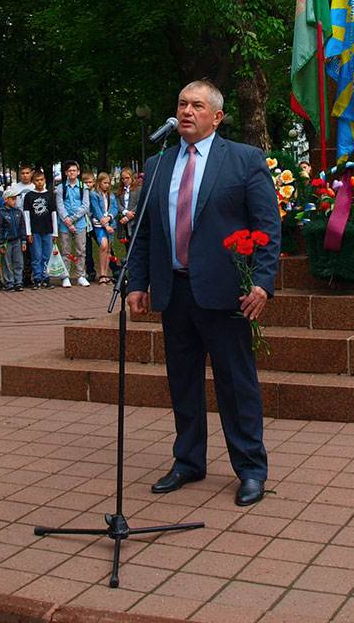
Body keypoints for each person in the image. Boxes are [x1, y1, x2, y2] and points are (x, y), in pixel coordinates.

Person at [126, 80, 281, 507]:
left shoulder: (244, 160)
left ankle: (251, 469)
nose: (187, 111)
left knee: (236, 384)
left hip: (227, 293)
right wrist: (138, 281)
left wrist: (262, 283)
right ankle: (188, 460)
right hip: (173, 290)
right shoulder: (158, 164)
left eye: (197, 105)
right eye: (181, 104)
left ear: (217, 116)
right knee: (182, 382)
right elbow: (144, 230)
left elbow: (268, 226)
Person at [56, 162, 91, 287]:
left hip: (80, 223)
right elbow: (60, 206)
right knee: (66, 250)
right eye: (69, 171)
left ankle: (81, 275)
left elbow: (85, 205)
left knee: (81, 250)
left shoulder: (83, 187)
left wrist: (74, 219)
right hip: (64, 224)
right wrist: (67, 220)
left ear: (78, 172)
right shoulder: (61, 188)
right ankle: (65, 276)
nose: (72, 173)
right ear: (65, 173)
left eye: (74, 170)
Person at [23, 171, 56, 288]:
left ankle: (45, 277)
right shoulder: (29, 196)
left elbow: (53, 214)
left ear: (45, 180)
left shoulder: (50, 195)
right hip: (35, 230)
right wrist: (28, 232)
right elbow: (26, 215)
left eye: (41, 180)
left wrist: (55, 232)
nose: (40, 182)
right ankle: (37, 278)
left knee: (46, 255)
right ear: (33, 182)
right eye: (37, 180)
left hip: (48, 230)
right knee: (36, 255)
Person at [0, 187, 27, 292]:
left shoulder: (18, 212)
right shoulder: (1, 213)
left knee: (19, 262)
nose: (15, 201)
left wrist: (23, 240)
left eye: (15, 199)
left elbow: (22, 227)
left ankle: (18, 281)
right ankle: (9, 282)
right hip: (6, 242)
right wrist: (0, 243)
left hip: (17, 240)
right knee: (7, 262)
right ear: (6, 200)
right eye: (12, 199)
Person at [90, 172, 119, 285]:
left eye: (108, 183)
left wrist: (109, 217)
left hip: (110, 224)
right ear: (99, 182)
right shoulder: (94, 194)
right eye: (105, 183)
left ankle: (105, 274)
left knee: (108, 249)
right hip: (100, 225)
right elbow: (96, 210)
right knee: (103, 245)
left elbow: (115, 208)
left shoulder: (111, 195)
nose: (107, 185)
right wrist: (105, 224)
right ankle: (102, 273)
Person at [116, 167, 141, 245]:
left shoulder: (138, 189)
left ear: (132, 178)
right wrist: (125, 212)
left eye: (127, 178)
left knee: (136, 243)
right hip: (123, 220)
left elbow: (140, 204)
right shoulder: (120, 190)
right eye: (123, 179)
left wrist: (129, 216)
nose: (125, 180)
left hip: (135, 220)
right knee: (127, 243)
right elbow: (118, 203)